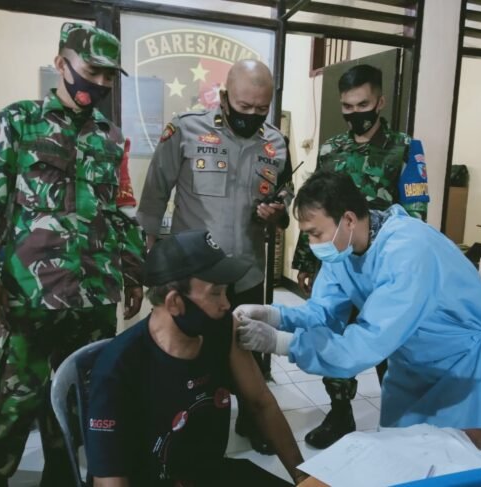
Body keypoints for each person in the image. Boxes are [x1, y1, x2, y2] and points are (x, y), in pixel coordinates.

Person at [0, 23, 145, 487]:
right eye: (91, 71)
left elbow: (120, 211)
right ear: (61, 63)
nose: (99, 83)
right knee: (13, 399)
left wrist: (132, 272)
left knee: (77, 400)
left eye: (109, 76)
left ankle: (61, 477)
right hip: (28, 294)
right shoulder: (19, 120)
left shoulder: (111, 138)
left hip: (93, 294)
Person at [236, 171, 481, 433]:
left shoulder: (408, 250)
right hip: (413, 359)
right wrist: (274, 316)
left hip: (465, 364)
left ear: (348, 220)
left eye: (315, 233)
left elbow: (362, 345)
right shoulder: (342, 250)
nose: (313, 243)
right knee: (403, 449)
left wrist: (280, 343)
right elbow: (323, 312)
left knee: (460, 456)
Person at [136, 59, 292, 453]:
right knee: (189, 352)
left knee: (246, 349)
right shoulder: (186, 129)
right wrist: (147, 258)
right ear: (224, 97)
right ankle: (183, 424)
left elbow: (285, 203)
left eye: (261, 109)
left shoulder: (276, 144)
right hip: (195, 277)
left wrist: (276, 214)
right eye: (244, 106)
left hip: (247, 271)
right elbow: (154, 195)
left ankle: (251, 419)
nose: (251, 116)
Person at [86, 229, 306, 486]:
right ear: (174, 303)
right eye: (215, 293)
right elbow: (110, 479)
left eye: (226, 292)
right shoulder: (117, 368)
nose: (226, 304)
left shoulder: (222, 329)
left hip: (209, 474)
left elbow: (261, 403)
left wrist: (302, 477)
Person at [290, 64, 430, 449]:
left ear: (380, 102)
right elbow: (314, 209)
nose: (355, 113)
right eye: (347, 107)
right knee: (334, 335)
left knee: (390, 345)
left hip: (383, 271)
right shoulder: (332, 149)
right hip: (338, 268)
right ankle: (340, 413)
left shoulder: (405, 148)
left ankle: (399, 420)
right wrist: (307, 262)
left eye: (363, 105)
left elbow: (416, 213)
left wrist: (406, 271)